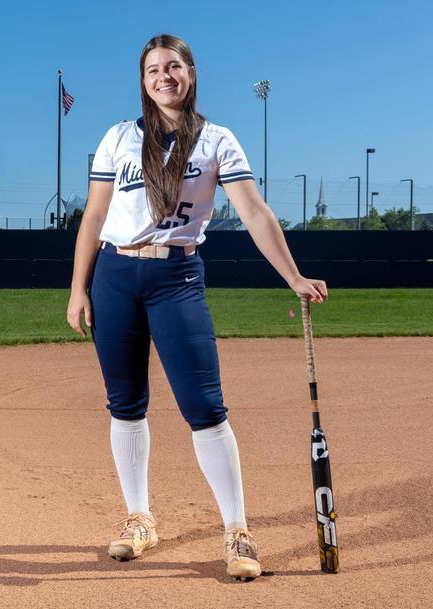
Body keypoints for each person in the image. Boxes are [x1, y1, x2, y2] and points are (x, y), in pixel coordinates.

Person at [66, 34, 328, 581]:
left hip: (176, 276)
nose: (163, 76)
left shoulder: (216, 140)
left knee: (205, 407)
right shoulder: (118, 138)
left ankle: (237, 529)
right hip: (115, 276)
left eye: (173, 66)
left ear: (191, 73)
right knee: (124, 403)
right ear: (143, 80)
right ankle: (140, 518)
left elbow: (254, 213)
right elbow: (93, 218)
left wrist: (293, 276)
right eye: (153, 69)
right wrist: (78, 288)